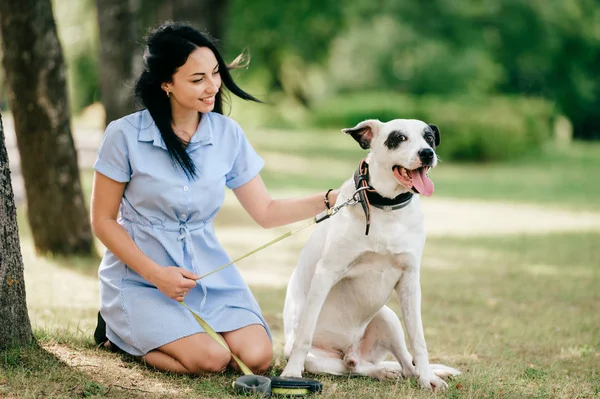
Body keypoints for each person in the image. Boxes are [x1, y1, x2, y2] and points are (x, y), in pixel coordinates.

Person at [91, 21, 338, 375]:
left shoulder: (227, 134)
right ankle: (116, 334)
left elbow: (266, 211)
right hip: (142, 278)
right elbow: (102, 221)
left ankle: (174, 334)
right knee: (211, 360)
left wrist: (332, 198)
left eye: (215, 73)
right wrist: (157, 274)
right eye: (197, 79)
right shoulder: (124, 135)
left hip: (210, 275)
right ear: (166, 84)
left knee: (257, 358)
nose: (213, 87)